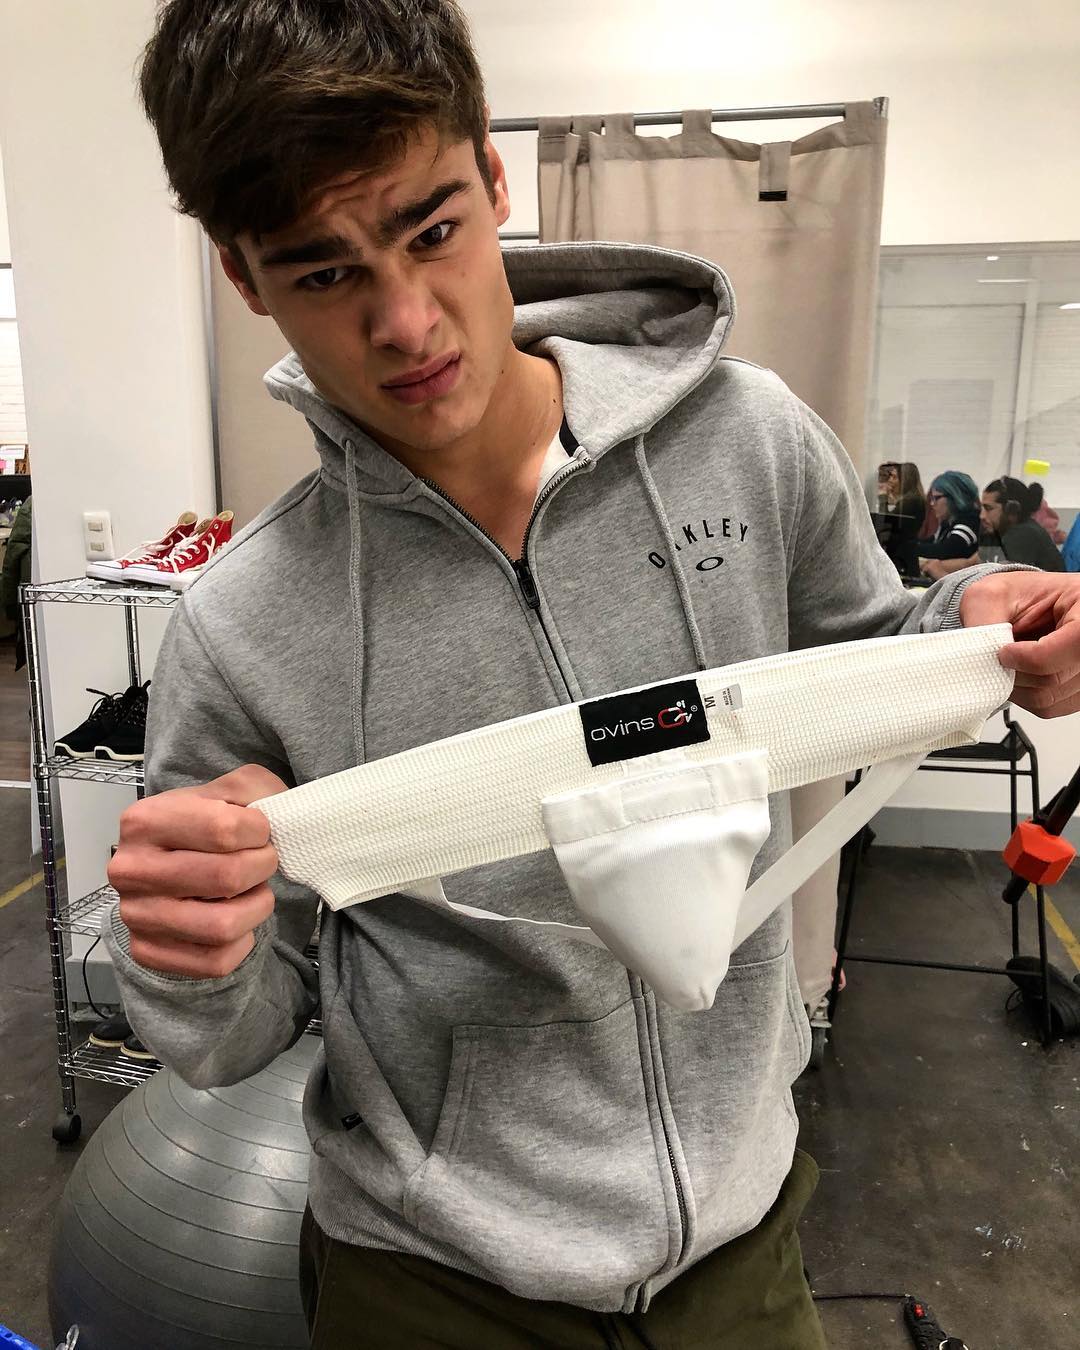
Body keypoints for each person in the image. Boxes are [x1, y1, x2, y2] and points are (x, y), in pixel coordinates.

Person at [103, 3, 1080, 1346]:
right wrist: (192, 949)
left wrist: (990, 628)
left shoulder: (748, 442)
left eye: (431, 230)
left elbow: (867, 667)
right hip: (432, 1284)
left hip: (743, 1242)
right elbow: (228, 1036)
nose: (405, 322)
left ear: (494, 177)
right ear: (244, 276)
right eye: (324, 272)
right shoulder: (243, 624)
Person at [980, 477, 1065, 571]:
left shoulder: (1023, 534)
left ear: (1011, 509)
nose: (982, 516)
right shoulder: (1002, 532)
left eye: (989, 509)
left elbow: (1006, 577)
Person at [873, 461, 925, 573]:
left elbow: (887, 521)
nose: (890, 480)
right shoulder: (913, 499)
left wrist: (883, 497)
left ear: (905, 480)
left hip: (902, 555)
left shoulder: (911, 500)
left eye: (894, 477)